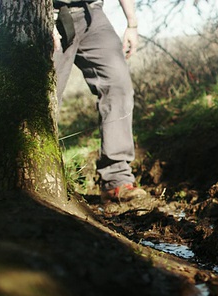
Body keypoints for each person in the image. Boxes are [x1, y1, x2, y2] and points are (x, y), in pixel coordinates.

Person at [53, 0, 147, 202]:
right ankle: (31, 179)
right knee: (44, 97)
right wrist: (37, 18)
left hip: (90, 13)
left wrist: (132, 24)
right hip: (48, 16)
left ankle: (117, 181)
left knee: (118, 85)